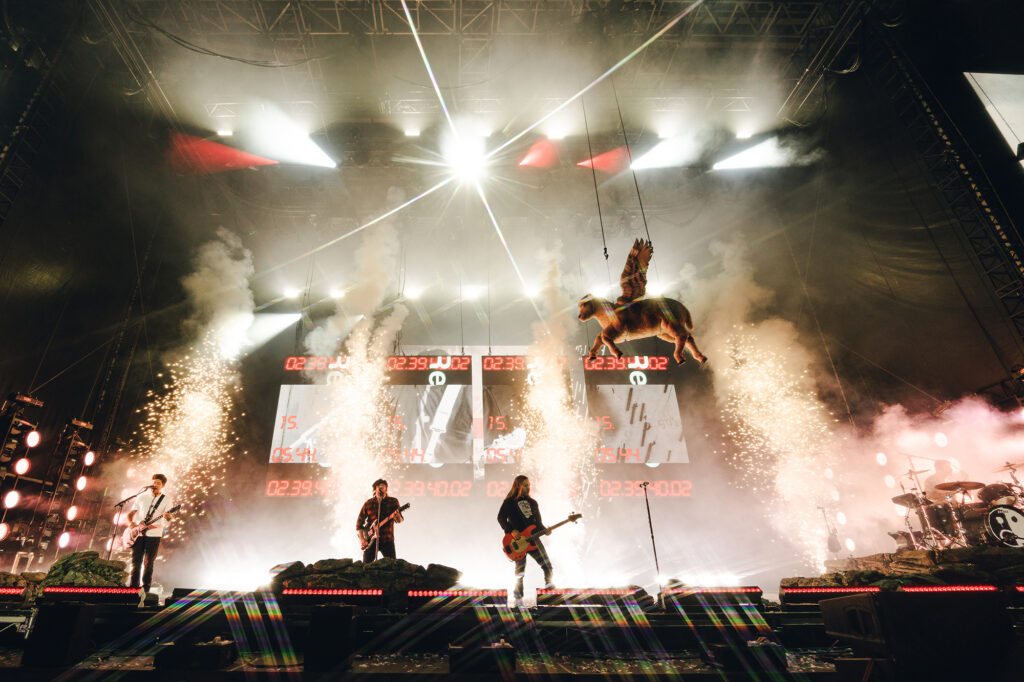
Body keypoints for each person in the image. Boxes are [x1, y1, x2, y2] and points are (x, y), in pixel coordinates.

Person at [497, 475, 553, 604]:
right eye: (525, 485)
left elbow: (538, 524)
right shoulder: (509, 502)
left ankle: (550, 591)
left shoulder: (533, 503)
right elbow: (500, 518)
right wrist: (511, 531)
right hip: (517, 541)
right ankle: (517, 597)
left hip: (533, 540)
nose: (528, 487)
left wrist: (546, 530)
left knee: (547, 565)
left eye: (529, 485)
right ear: (518, 486)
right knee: (520, 571)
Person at [127, 473, 174, 593]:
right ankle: (133, 587)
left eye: (158, 483)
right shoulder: (142, 497)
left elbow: (169, 518)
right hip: (138, 533)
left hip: (154, 534)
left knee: (149, 562)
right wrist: (132, 524)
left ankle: (145, 589)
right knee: (135, 561)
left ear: (163, 486)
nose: (155, 484)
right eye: (154, 482)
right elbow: (131, 514)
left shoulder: (166, 499)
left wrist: (168, 516)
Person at [356, 479, 404, 563]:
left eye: (384, 487)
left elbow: (399, 520)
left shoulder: (393, 501)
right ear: (375, 489)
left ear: (386, 489)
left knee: (392, 565)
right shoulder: (368, 503)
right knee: (366, 566)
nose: (381, 489)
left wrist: (397, 516)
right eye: (379, 487)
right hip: (371, 540)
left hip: (387, 539)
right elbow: (359, 524)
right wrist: (362, 540)